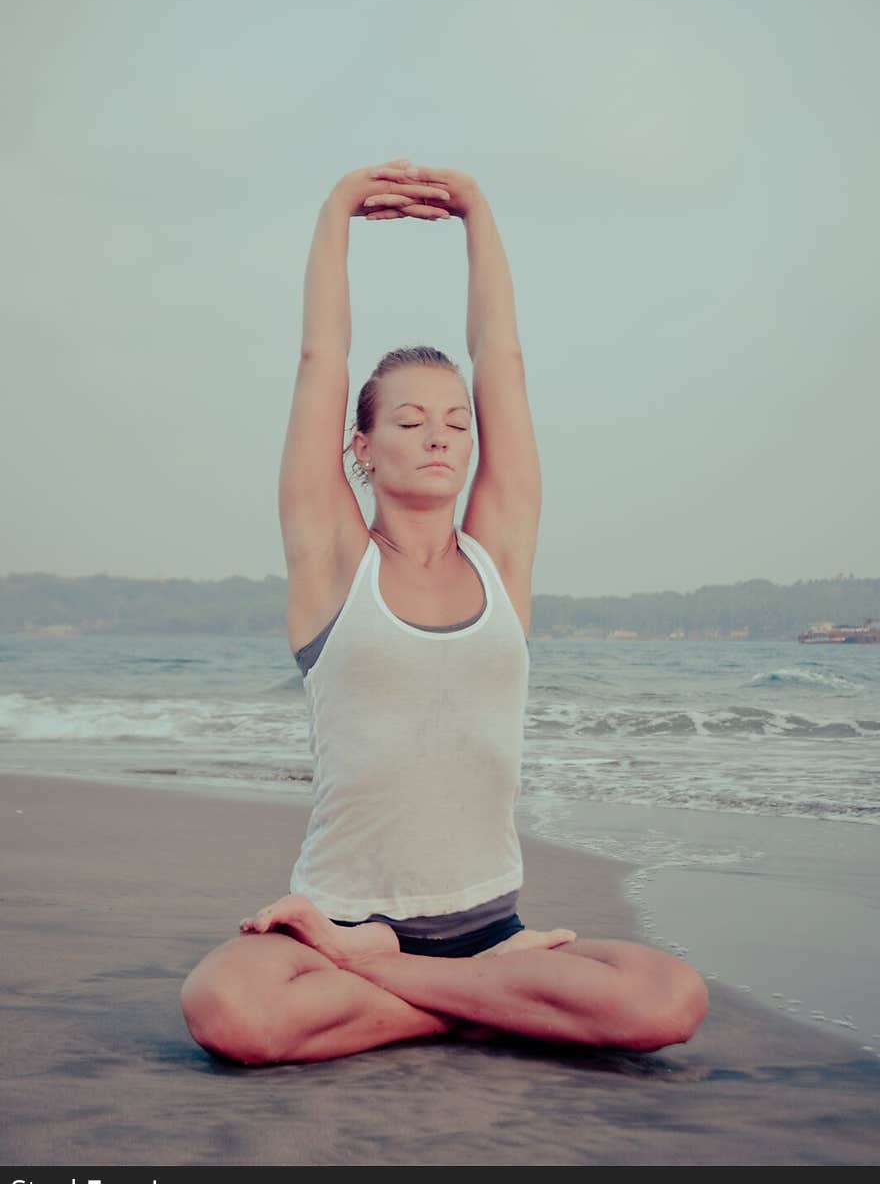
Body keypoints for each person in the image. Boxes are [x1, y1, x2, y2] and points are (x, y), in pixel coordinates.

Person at [179, 158, 709, 1065]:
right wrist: (339, 206)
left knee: (671, 999)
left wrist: (478, 211)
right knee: (227, 1008)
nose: (439, 436)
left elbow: (501, 356)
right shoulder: (334, 563)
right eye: (411, 420)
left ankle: (398, 985)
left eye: (457, 422)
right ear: (363, 444)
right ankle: (485, 1007)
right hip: (340, 917)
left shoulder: (500, 554)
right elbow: (321, 359)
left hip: (487, 928)